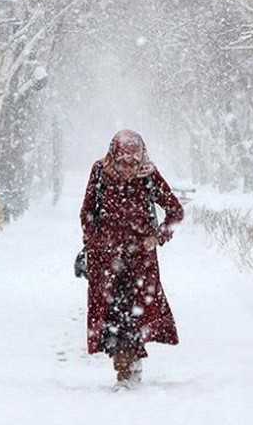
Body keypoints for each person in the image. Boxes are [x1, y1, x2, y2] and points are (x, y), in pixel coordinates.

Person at [79, 129, 184, 389]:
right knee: (112, 317)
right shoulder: (100, 172)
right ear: (114, 155)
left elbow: (175, 211)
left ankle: (129, 369)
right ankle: (124, 367)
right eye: (124, 162)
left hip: (140, 263)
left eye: (134, 163)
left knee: (134, 316)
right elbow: (87, 212)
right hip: (106, 262)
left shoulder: (148, 176)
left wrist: (157, 237)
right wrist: (95, 242)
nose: (129, 168)